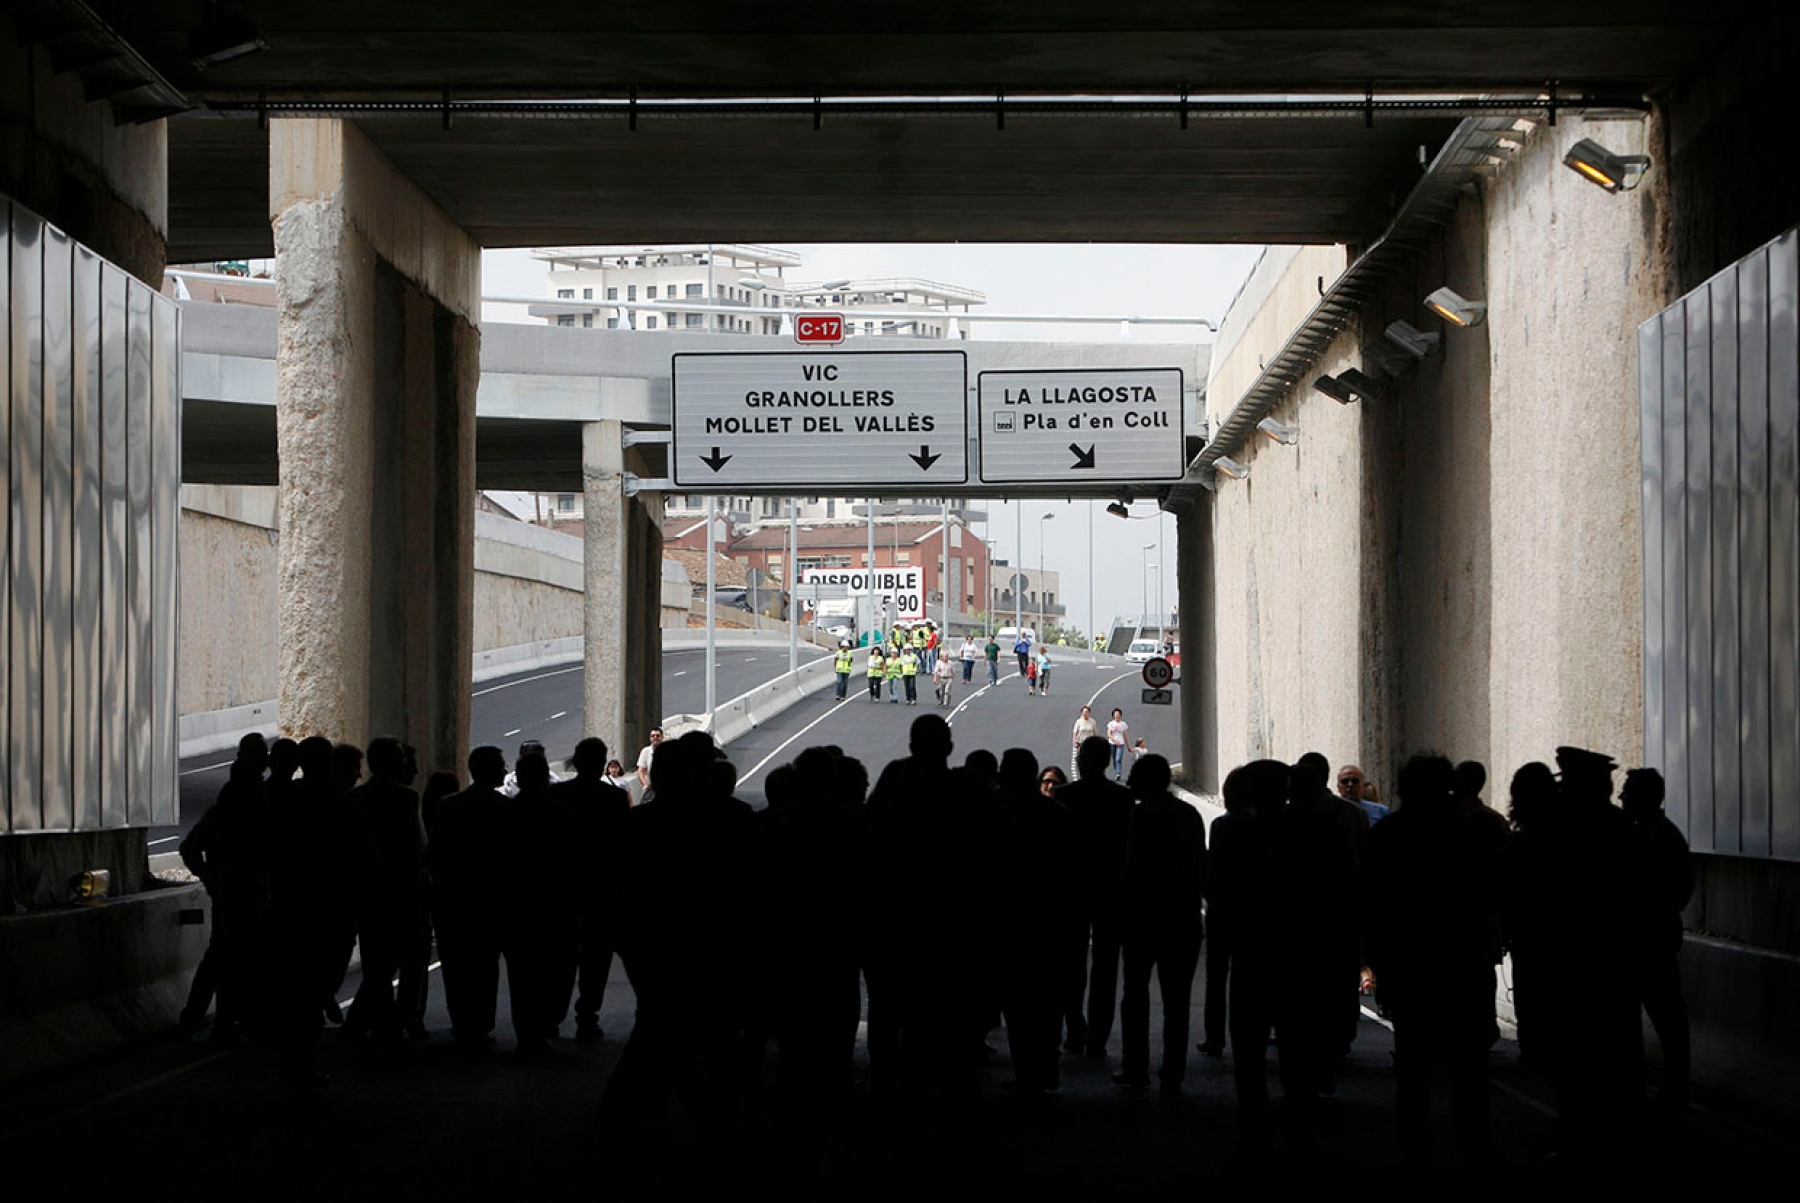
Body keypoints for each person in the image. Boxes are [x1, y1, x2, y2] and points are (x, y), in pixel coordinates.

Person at [1363, 753, 1502, 1167]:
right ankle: (1474, 1148)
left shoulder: (1387, 835)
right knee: (1469, 1069)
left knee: (1413, 1063)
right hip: (1463, 966)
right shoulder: (1472, 834)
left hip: (1410, 968)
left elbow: (1373, 909)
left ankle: (1414, 1144)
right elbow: (1491, 898)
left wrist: (1380, 967)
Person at [1115, 754, 1205, 1094]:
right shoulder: (1188, 814)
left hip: (1144, 917)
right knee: (1177, 1000)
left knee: (1135, 993)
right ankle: (1172, 1070)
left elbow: (1134, 867)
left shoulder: (1140, 815)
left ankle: (1135, 1066)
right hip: (1181, 917)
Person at [179, 733, 272, 1046]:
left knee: (223, 958)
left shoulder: (233, 799)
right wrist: (216, 879)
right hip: (242, 890)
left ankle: (197, 1020)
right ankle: (228, 1022)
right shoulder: (241, 799)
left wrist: (211, 879)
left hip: (234, 889)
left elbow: (191, 848)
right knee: (234, 960)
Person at [997, 747, 1079, 1093]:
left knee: (1018, 1004)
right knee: (1050, 1001)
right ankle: (1048, 1066)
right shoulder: (1058, 814)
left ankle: (1027, 1071)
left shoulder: (998, 816)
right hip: (1053, 920)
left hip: (1013, 922)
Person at [340, 736, 427, 1051]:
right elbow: (413, 848)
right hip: (402, 891)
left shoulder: (353, 799)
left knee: (377, 965)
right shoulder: (406, 798)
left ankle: (370, 1024)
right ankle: (386, 1023)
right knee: (410, 961)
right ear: (394, 762)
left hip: (368, 893)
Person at [495, 749, 580, 1056]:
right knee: (555, 969)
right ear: (545, 777)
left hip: (516, 908)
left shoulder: (504, 814)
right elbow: (573, 861)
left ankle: (526, 1033)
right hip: (555, 908)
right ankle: (546, 1021)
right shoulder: (561, 814)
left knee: (521, 975)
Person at [1057, 736, 1134, 1060]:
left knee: (1070, 965)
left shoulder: (1063, 796)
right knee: (1106, 966)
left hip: (1072, 890)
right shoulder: (1123, 798)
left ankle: (1075, 1029)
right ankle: (1097, 1037)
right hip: (1110, 889)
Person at [1621, 767, 1694, 1109]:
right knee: (1667, 1019)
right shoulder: (1657, 836)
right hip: (1650, 942)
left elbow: (1674, 894)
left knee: (1666, 1019)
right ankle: (1673, 1086)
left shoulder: (1659, 839)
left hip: (1649, 943)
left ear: (1644, 798)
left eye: (1628, 792)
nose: (1621, 798)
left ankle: (1675, 1088)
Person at [550, 737, 630, 1042]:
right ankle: (587, 1016)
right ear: (600, 764)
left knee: (559, 956)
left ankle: (552, 1015)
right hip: (600, 888)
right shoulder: (614, 799)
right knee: (596, 958)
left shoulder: (556, 795)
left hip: (562, 888)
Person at [428, 745, 508, 1046]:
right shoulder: (502, 808)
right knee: (485, 966)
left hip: (452, 899)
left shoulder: (448, 806)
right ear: (488, 769)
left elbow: (434, 853)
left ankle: (461, 1021)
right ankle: (481, 1022)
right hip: (489, 901)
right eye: (500, 765)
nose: (504, 770)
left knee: (455, 966)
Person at [1071, 704, 1099, 778]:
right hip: (1081, 742)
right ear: (1081, 712)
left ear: (1089, 713)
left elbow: (1095, 732)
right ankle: (1082, 772)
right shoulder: (1079, 721)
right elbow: (1075, 732)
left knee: (1090, 759)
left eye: (1086, 712)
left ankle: (1090, 772)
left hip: (1090, 743)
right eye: (1084, 712)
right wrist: (1074, 742)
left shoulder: (1092, 721)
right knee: (1082, 758)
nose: (1085, 713)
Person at [635, 727, 663, 793]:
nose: (655, 737)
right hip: (650, 789)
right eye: (653, 736)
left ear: (662, 737)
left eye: (658, 735)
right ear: (650, 738)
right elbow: (640, 771)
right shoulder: (645, 751)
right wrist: (645, 784)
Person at [1106, 708, 1129, 780]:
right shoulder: (1111, 724)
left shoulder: (1123, 724)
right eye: (1115, 714)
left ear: (1120, 715)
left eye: (1118, 714)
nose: (1117, 716)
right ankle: (1116, 771)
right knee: (1114, 759)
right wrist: (1114, 740)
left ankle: (1118, 773)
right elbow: (1109, 733)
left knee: (1118, 759)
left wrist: (1128, 746)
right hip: (1112, 743)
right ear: (1113, 715)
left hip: (1121, 743)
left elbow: (1125, 735)